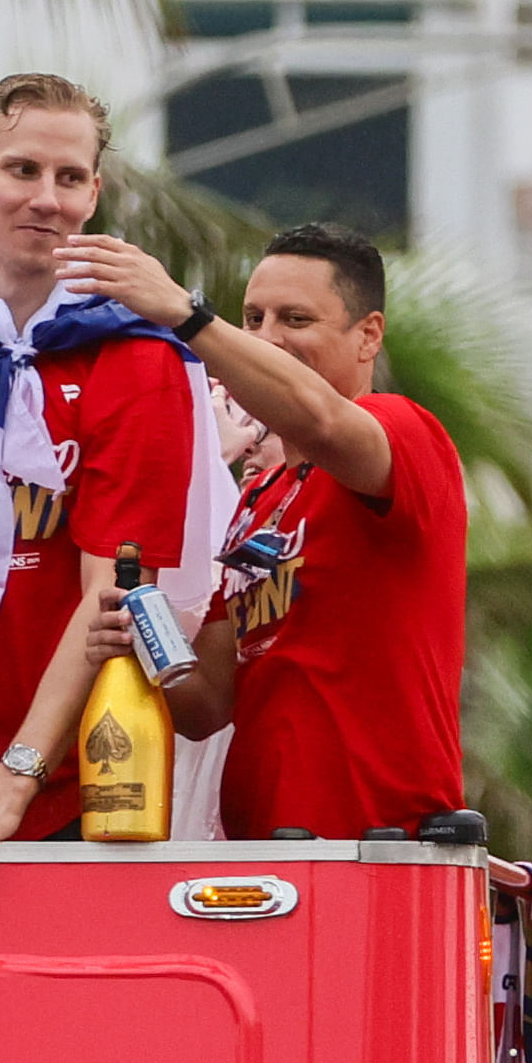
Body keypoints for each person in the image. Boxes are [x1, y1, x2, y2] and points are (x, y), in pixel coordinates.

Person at [0, 74, 232, 900]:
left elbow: (113, 599)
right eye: (22, 169)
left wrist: (9, 784)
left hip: (59, 806)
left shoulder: (137, 359)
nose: (47, 199)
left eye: (70, 179)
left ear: (95, 192)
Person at [60, 220, 466, 840]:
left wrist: (185, 316)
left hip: (379, 842)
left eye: (295, 320)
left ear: (368, 336)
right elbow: (205, 705)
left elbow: (322, 420)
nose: (267, 338)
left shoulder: (402, 430)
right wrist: (138, 623)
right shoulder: (257, 498)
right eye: (253, 318)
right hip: (258, 847)